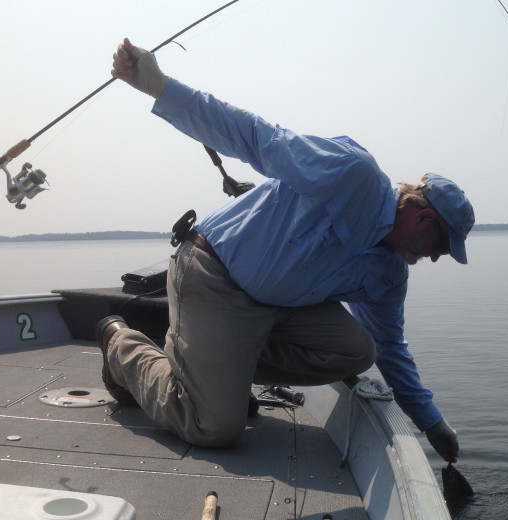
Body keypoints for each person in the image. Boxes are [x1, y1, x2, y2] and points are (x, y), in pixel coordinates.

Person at [98, 38, 474, 463]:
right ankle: (121, 346)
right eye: (442, 246)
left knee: (358, 351)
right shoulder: (356, 176)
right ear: (424, 219)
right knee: (213, 426)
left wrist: (432, 423)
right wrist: (160, 86)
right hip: (213, 273)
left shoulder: (388, 276)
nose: (438, 257)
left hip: (273, 306)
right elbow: (257, 138)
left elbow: (390, 349)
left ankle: (217, 368)